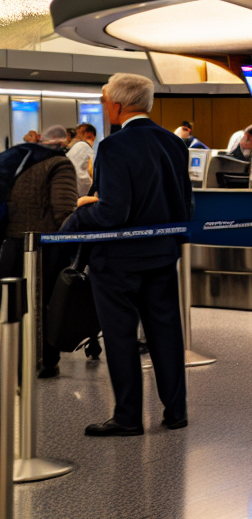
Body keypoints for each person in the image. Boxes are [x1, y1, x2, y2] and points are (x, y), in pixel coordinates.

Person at [66, 73, 194, 437]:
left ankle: (127, 417)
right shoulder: (173, 142)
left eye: (105, 99)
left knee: (121, 336)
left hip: (118, 261)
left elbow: (113, 214)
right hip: (162, 254)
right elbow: (185, 204)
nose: (105, 105)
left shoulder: (112, 146)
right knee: (166, 333)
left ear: (118, 105)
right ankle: (176, 411)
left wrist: (81, 208)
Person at [2, 126, 78, 378]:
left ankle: (13, 355)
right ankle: (46, 358)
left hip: (13, 242)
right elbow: (63, 211)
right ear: (62, 142)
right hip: (45, 245)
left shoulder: (20, 162)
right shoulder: (60, 164)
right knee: (46, 303)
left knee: (14, 302)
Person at [66, 122, 96, 197]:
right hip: (81, 191)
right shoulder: (85, 147)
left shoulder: (73, 149)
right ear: (91, 135)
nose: (76, 137)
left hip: (69, 188)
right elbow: (91, 170)